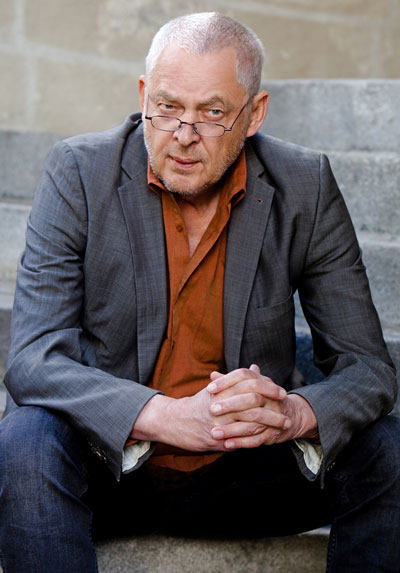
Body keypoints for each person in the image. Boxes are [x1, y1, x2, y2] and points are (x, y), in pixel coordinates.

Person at [0, 11, 399, 573]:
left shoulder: (305, 185)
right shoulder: (79, 172)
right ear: (144, 94)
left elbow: (370, 369)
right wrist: (162, 416)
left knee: (389, 448)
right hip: (107, 470)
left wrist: (293, 413)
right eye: (167, 107)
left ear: (254, 113)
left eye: (212, 113)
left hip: (246, 470)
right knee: (25, 440)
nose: (183, 136)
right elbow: (33, 358)